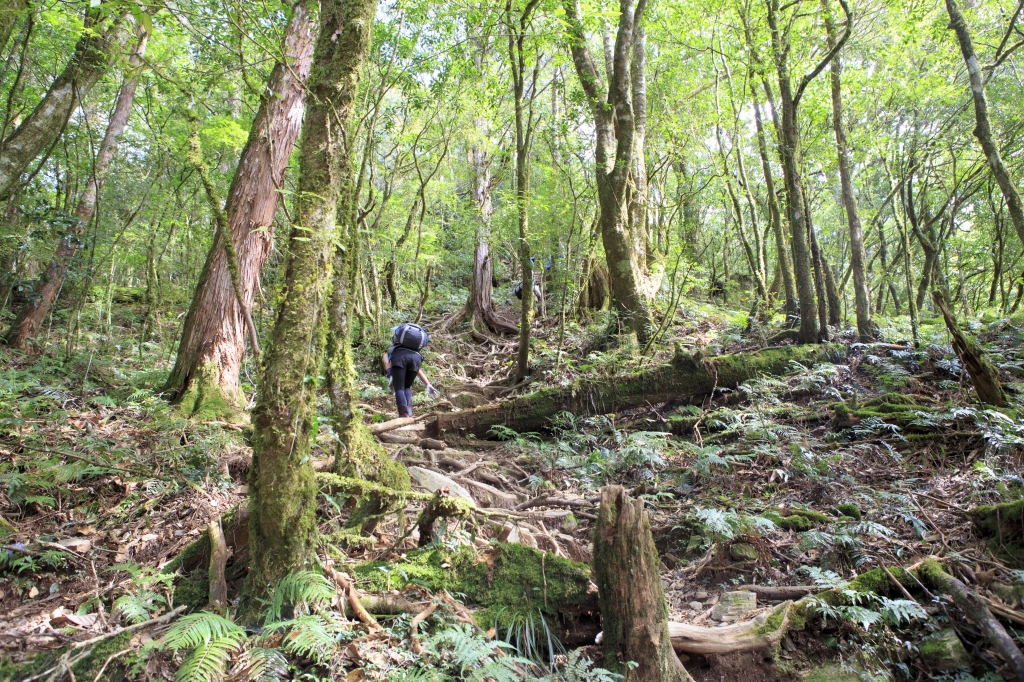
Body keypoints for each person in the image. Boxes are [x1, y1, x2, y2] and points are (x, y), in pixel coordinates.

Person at [382, 323, 438, 417]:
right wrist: (428, 384)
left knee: (399, 387)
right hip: (416, 359)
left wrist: (390, 376)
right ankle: (409, 412)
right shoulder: (416, 352)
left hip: (400, 359)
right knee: (406, 387)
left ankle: (403, 414)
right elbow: (419, 370)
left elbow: (386, 363)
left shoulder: (393, 349)